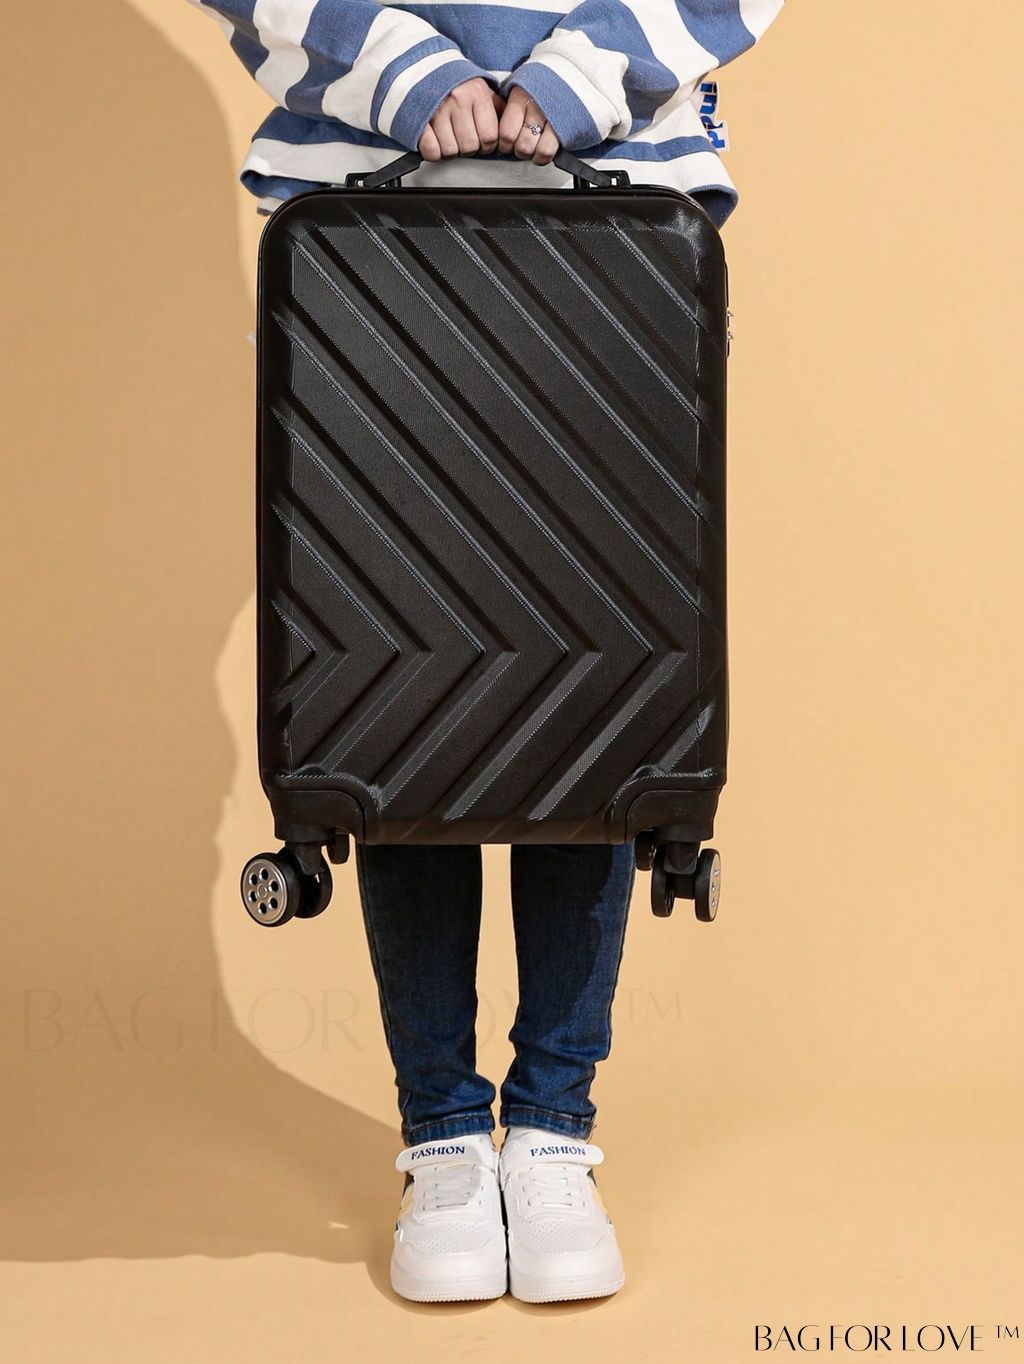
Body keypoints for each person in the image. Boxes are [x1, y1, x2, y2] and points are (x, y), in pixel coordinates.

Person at [189, 0, 783, 1304]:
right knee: (397, 701)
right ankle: (447, 1138)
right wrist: (402, 71)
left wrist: (581, 73)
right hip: (361, 215)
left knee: (604, 692)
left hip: (625, 208)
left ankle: (553, 1134)